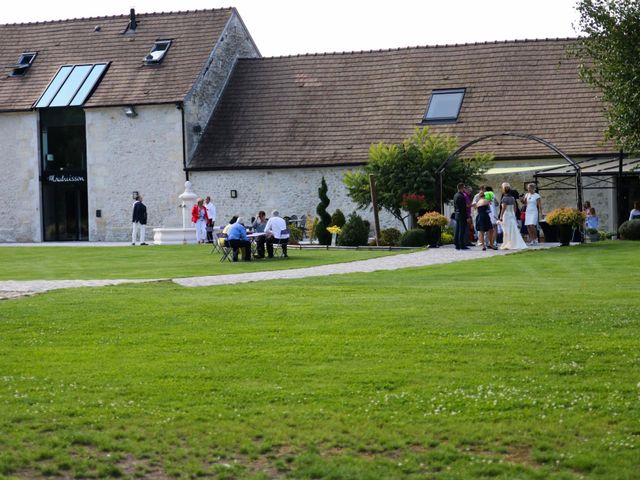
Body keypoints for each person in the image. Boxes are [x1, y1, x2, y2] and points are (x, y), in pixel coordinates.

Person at [499, 183, 527, 250]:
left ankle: (507, 243)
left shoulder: (504, 198)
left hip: (506, 215)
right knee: (513, 229)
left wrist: (500, 216)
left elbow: (503, 208)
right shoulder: (512, 198)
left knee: (507, 230)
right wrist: (513, 214)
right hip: (512, 215)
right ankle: (513, 242)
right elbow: (515, 207)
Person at [453, 183, 469, 250]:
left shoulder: (455, 195)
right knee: (461, 231)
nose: (465, 189)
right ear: (462, 188)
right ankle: (461, 245)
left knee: (457, 230)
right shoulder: (461, 196)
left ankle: (457, 244)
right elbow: (463, 208)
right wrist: (467, 216)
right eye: (464, 187)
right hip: (462, 215)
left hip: (457, 213)